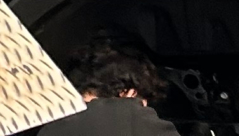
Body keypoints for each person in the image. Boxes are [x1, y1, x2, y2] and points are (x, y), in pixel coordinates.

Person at [43, 33, 182, 133]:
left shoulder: (49, 129)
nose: (144, 107)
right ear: (128, 93)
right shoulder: (132, 118)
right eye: (143, 101)